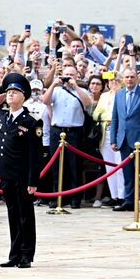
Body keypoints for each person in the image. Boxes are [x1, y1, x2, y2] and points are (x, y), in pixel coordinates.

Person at [0, 73, 43, 268]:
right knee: (13, 214)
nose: (11, 95)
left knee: (25, 215)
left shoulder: (31, 121)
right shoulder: (2, 116)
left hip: (22, 174)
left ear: (24, 96)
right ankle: (14, 254)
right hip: (5, 172)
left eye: (15, 92)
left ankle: (26, 255)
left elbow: (34, 154)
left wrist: (33, 181)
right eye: (9, 92)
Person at [42, 65, 92, 209]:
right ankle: (58, 196)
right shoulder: (57, 90)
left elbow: (88, 103)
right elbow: (45, 101)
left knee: (74, 165)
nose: (68, 77)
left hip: (74, 131)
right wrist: (53, 84)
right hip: (57, 130)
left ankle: (75, 198)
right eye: (66, 74)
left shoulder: (81, 91)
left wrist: (75, 86)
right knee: (56, 166)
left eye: (71, 74)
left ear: (77, 76)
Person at [110, 68, 140, 211]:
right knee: (127, 173)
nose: (129, 79)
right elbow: (115, 117)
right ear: (123, 79)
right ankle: (129, 200)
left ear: (136, 78)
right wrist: (113, 139)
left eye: (132, 77)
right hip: (123, 140)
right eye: (127, 77)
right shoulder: (119, 94)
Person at [92, 73, 125, 207]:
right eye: (111, 80)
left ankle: (122, 196)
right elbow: (95, 114)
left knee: (120, 166)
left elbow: (122, 113)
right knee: (109, 167)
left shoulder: (123, 94)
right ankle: (114, 195)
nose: (113, 82)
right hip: (106, 133)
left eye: (116, 80)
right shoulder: (105, 96)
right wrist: (109, 116)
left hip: (119, 132)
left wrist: (109, 115)